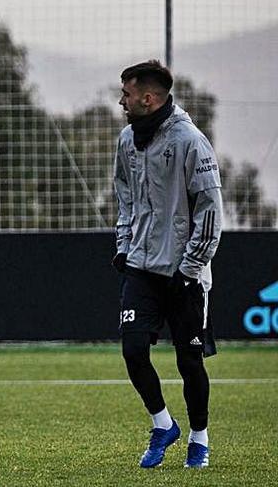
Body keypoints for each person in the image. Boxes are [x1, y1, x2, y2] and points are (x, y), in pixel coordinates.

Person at [113, 60, 223, 469]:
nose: (121, 101)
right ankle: (163, 423)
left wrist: (191, 267)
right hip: (140, 265)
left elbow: (211, 211)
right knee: (133, 349)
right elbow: (124, 195)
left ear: (148, 97)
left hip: (185, 273)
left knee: (188, 361)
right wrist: (125, 246)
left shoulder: (191, 141)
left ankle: (199, 437)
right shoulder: (126, 140)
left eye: (126, 94)